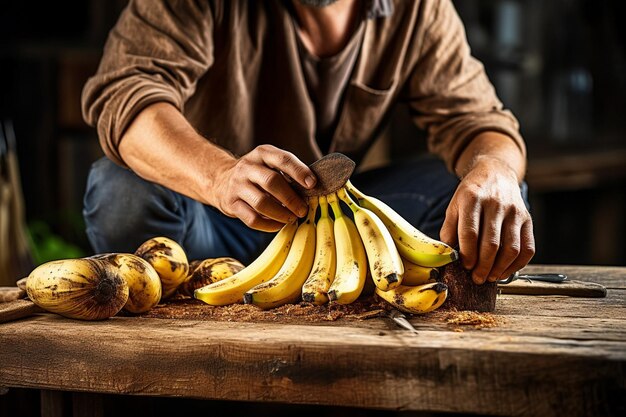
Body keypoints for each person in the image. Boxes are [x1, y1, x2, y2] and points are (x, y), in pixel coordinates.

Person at [81, 0, 535, 285]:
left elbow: (478, 120)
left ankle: (360, 282)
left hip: (344, 228)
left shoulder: (419, 9)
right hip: (208, 225)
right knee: (120, 192)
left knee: (486, 196)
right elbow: (127, 92)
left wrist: (495, 171)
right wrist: (220, 177)